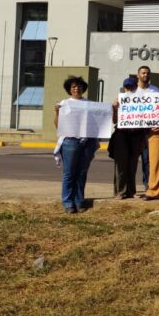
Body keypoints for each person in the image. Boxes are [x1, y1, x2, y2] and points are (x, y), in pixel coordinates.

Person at [53, 75, 99, 213]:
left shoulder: (90, 104)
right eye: (73, 86)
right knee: (69, 173)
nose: (76, 88)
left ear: (83, 89)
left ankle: (79, 201)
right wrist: (57, 113)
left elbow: (97, 123)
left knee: (82, 172)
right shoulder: (64, 104)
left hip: (87, 142)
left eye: (79, 86)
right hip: (71, 141)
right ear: (69, 90)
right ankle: (68, 202)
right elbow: (58, 125)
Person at [110, 75, 146, 199]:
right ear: (124, 88)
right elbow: (114, 121)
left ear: (136, 87)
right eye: (127, 87)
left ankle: (131, 191)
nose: (129, 89)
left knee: (132, 164)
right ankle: (120, 191)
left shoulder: (141, 100)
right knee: (121, 164)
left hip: (136, 134)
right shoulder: (118, 101)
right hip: (121, 134)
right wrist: (114, 110)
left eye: (132, 86)